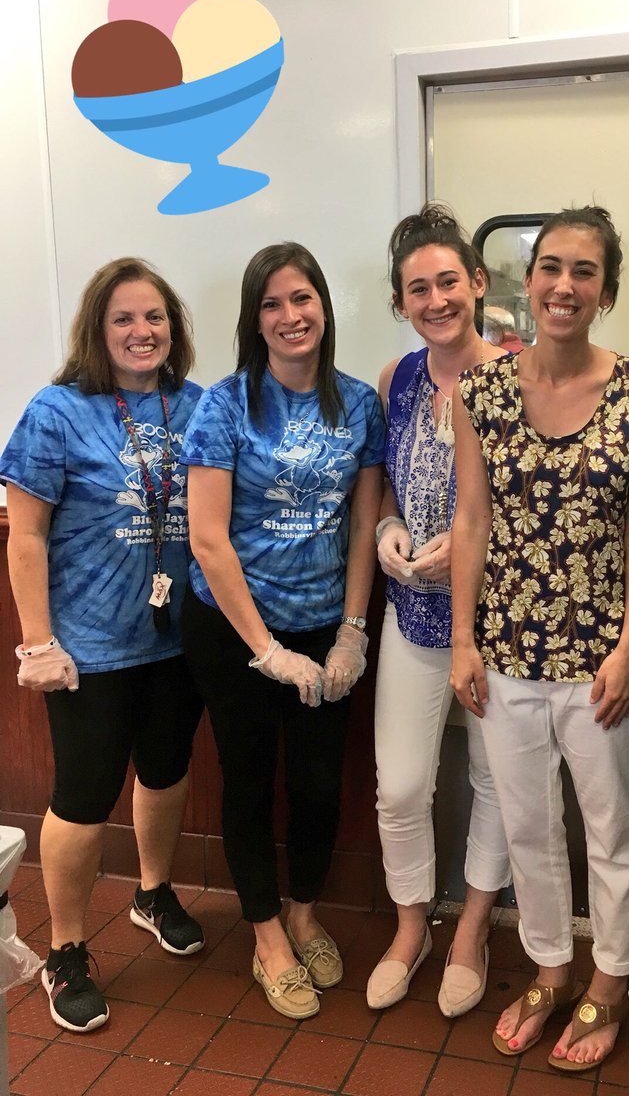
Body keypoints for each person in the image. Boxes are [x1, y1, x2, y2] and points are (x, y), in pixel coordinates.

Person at [451, 206, 629, 1072]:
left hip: (602, 661)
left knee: (612, 829)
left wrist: (628, 646)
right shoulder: (481, 391)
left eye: (584, 271)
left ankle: (612, 978)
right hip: (504, 651)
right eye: (550, 267)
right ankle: (549, 965)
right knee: (529, 826)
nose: (563, 285)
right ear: (527, 280)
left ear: (606, 290)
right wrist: (465, 641)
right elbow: (472, 519)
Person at [0, 258, 205, 1033]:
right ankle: (68, 948)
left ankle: (152, 894)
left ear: (173, 327)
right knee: (83, 799)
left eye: (154, 317)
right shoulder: (56, 411)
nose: (141, 331)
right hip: (87, 648)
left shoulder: (197, 406)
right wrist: (37, 643)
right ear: (97, 328)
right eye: (124, 318)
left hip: (178, 641)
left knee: (166, 770)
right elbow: (24, 538)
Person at [180, 242, 383, 1022]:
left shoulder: (358, 401)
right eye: (272, 304)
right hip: (235, 629)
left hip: (326, 619)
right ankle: (266, 936)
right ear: (253, 320)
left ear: (324, 308)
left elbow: (365, 520)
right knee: (249, 779)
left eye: (302, 299)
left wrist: (352, 632)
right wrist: (265, 650)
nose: (290, 316)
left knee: (319, 782)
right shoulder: (227, 403)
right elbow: (208, 539)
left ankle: (304, 911)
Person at [367, 205, 511, 1016]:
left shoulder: (519, 378)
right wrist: (389, 526)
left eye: (448, 281)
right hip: (410, 619)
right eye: (417, 288)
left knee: (496, 780)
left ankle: (474, 928)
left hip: (497, 623)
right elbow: (387, 483)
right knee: (402, 785)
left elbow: (531, 506)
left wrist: (469, 550)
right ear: (401, 301)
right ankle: (412, 923)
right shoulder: (398, 379)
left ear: (477, 282)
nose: (435, 299)